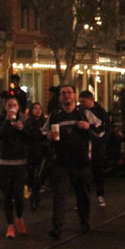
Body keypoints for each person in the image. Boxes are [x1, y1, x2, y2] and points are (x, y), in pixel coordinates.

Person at [42, 84, 100, 239]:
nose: (66, 95)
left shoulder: (84, 114)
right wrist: (47, 136)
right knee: (59, 196)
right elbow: (43, 131)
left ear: (74, 96)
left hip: (81, 161)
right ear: (60, 97)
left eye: (69, 93)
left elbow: (100, 131)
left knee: (83, 194)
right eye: (63, 93)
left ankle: (84, 221)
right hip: (61, 162)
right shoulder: (55, 115)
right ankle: (57, 227)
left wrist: (88, 127)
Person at [0, 97, 29, 238]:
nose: (12, 107)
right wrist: (7, 122)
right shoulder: (0, 120)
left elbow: (30, 137)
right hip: (5, 161)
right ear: (5, 107)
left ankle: (19, 218)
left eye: (14, 105)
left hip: (20, 161)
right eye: (9, 105)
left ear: (18, 107)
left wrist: (23, 128)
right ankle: (10, 225)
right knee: (7, 194)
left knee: (19, 194)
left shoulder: (24, 120)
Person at [78, 90, 109, 206]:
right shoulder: (80, 112)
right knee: (84, 173)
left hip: (97, 146)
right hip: (84, 146)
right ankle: (85, 198)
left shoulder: (100, 112)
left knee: (97, 171)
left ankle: (100, 195)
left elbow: (105, 128)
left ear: (91, 100)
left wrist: (102, 142)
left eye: (83, 101)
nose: (81, 104)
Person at [24, 102, 48, 209]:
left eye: (39, 109)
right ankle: (33, 195)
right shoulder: (28, 123)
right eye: (35, 109)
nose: (37, 111)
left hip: (41, 152)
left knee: (38, 176)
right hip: (30, 152)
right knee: (31, 175)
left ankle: (35, 197)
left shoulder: (45, 123)